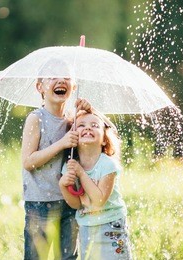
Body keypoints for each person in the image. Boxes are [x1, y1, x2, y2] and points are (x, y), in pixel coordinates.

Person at [21, 58, 93, 259]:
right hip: (40, 202)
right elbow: (28, 162)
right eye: (53, 77)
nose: (60, 80)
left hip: (69, 201)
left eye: (66, 77)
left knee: (68, 257)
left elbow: (105, 137)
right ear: (39, 87)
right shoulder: (36, 119)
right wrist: (61, 143)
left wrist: (90, 111)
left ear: (73, 87)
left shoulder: (75, 119)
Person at [59, 111, 132, 260]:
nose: (88, 128)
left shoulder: (107, 165)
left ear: (104, 140)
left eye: (94, 125)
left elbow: (99, 201)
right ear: (73, 136)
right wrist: (62, 186)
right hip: (86, 226)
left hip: (111, 225)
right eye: (81, 125)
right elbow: (76, 204)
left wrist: (81, 173)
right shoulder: (70, 166)